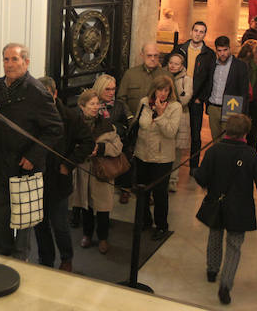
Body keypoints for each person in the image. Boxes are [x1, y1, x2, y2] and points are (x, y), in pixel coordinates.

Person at [0, 43, 63, 259]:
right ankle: (0, 260)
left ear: (26, 62)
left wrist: (33, 157)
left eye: (14, 59)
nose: (9, 64)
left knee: (24, 222)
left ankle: (20, 264)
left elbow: (55, 128)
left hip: (25, 168)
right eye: (6, 59)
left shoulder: (37, 91)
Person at [193, 114, 257, 305]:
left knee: (214, 235)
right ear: (246, 133)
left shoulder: (214, 150)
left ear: (227, 130)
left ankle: (211, 270)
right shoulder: (250, 155)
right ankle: (225, 284)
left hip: (216, 203)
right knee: (234, 245)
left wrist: (198, 174)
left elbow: (201, 177)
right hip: (240, 208)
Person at [36, 77, 93, 270]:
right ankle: (46, 259)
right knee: (40, 223)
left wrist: (68, 163)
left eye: (46, 95)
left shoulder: (70, 116)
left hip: (59, 178)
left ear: (54, 94)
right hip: (36, 176)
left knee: (59, 223)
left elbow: (87, 142)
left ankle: (66, 258)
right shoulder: (32, 115)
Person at [72, 89, 123, 255]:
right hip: (82, 171)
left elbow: (117, 147)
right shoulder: (75, 124)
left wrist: (100, 148)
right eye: (91, 104)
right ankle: (87, 234)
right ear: (82, 106)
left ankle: (103, 238)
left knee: (102, 208)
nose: (95, 107)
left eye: (97, 104)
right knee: (85, 205)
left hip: (101, 171)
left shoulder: (107, 125)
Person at [134, 76, 181, 240]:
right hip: (142, 153)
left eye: (166, 90)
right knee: (142, 192)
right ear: (154, 89)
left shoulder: (175, 107)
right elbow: (139, 123)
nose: (163, 93)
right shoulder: (144, 102)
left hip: (162, 158)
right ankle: (144, 221)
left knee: (160, 194)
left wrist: (161, 114)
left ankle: (161, 226)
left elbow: (170, 132)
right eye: (160, 89)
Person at [177, 21, 216, 174]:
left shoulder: (209, 54)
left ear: (204, 35)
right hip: (180, 94)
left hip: (197, 97)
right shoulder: (181, 49)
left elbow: (210, 78)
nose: (198, 34)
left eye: (201, 32)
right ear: (191, 31)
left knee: (195, 133)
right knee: (176, 129)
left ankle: (194, 165)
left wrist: (202, 98)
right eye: (196, 31)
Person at [92, 74, 133, 204]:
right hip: (95, 144)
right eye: (107, 89)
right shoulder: (92, 103)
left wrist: (115, 129)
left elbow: (130, 125)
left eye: (113, 89)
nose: (111, 93)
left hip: (115, 144)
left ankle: (125, 189)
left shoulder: (120, 105)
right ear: (100, 88)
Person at [201, 36, 250, 142]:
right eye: (219, 51)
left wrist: (243, 113)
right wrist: (207, 102)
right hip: (213, 108)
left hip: (231, 108)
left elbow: (244, 91)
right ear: (216, 51)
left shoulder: (240, 66)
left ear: (229, 48)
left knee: (228, 141)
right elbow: (207, 83)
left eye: (225, 50)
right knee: (215, 141)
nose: (222, 53)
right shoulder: (212, 64)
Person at [117, 42, 169, 115]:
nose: (153, 59)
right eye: (149, 55)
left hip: (158, 122)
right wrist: (129, 117)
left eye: (156, 55)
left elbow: (174, 101)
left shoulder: (167, 76)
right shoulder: (130, 74)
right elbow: (121, 99)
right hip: (133, 120)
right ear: (142, 55)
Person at [166, 52, 192, 192]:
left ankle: (173, 180)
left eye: (176, 64)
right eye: (171, 63)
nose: (173, 66)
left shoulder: (186, 80)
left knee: (176, 150)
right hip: (165, 116)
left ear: (182, 65)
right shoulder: (163, 75)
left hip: (181, 116)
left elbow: (184, 100)